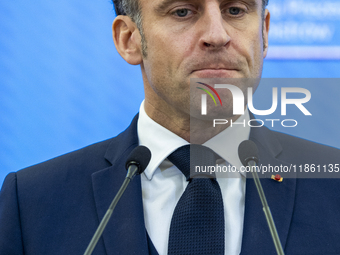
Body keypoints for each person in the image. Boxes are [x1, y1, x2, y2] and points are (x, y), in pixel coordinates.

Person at [1, 0, 340, 254]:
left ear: (264, 32)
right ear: (129, 39)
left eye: (235, 10)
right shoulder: (31, 202)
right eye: (183, 11)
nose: (217, 35)